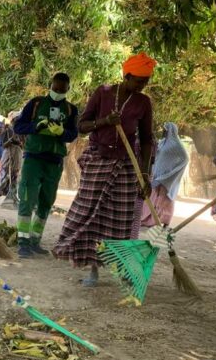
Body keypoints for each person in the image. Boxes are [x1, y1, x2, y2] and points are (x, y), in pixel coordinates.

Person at [52, 53, 156, 287]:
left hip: (126, 166)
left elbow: (147, 139)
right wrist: (105, 121)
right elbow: (81, 126)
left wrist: (145, 174)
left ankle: (122, 269)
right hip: (98, 159)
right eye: (138, 81)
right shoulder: (103, 93)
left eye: (145, 82)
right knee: (89, 215)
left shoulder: (143, 103)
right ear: (126, 76)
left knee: (121, 220)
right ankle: (92, 270)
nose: (142, 86)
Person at [14, 73, 79, 258]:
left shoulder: (71, 109)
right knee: (27, 199)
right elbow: (18, 127)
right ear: (50, 85)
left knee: (46, 202)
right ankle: (23, 242)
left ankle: (35, 240)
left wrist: (62, 132)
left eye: (62, 89)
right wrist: (36, 126)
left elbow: (73, 134)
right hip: (33, 158)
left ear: (68, 89)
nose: (58, 92)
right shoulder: (36, 103)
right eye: (55, 88)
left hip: (55, 161)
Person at [139, 122, 188, 227]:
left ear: (170, 131)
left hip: (166, 178)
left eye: (165, 130)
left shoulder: (177, 145)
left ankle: (164, 221)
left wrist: (173, 174)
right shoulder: (162, 143)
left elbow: (185, 159)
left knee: (165, 201)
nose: (163, 132)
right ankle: (148, 220)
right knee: (152, 199)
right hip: (157, 175)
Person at [0, 111, 23, 206]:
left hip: (17, 153)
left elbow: (23, 144)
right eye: (16, 118)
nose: (17, 120)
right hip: (8, 153)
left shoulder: (21, 130)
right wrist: (11, 141)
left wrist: (19, 143)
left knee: (14, 175)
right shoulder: (7, 130)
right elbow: (3, 144)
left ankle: (11, 198)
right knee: (3, 174)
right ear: (13, 119)